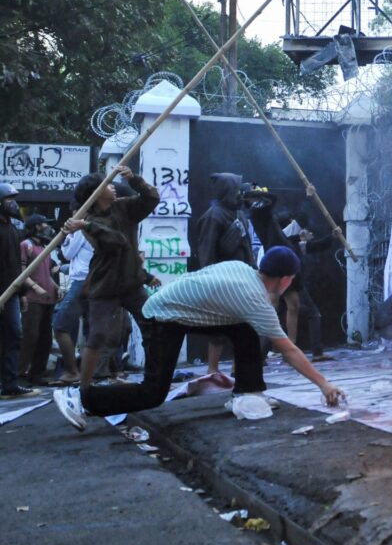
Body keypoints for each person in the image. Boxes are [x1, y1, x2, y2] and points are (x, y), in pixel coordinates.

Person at [53, 246, 344, 431]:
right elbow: (289, 350)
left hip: (180, 309)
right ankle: (81, 398)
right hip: (163, 317)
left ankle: (248, 392)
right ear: (286, 279)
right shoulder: (253, 299)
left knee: (244, 329)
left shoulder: (242, 269)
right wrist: (324, 384)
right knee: (153, 393)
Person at [63, 166, 159, 389]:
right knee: (97, 336)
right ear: (95, 194)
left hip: (132, 283)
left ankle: (155, 379)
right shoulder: (89, 221)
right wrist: (86, 225)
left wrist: (134, 179)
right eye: (107, 184)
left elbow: (152, 199)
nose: (113, 187)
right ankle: (85, 388)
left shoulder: (124, 207)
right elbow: (117, 241)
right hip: (105, 286)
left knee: (154, 328)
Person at [248, 192, 331, 358]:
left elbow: (286, 238)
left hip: (278, 261)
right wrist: (254, 192)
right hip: (282, 262)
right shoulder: (259, 213)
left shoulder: (269, 223)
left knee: (290, 307)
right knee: (284, 309)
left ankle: (278, 351)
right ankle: (267, 352)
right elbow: (273, 198)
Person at [195, 172, 254, 375]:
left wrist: (252, 271)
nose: (240, 193)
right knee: (219, 328)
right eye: (236, 189)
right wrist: (210, 280)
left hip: (242, 278)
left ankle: (239, 369)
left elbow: (246, 246)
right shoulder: (213, 216)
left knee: (244, 325)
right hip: (221, 280)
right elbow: (206, 251)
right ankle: (213, 371)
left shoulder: (239, 214)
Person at [0, 182, 34, 399]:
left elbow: (14, 266)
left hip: (10, 293)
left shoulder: (12, 229)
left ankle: (9, 384)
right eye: (8, 199)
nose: (13, 203)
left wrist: (21, 294)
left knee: (13, 335)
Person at [50, 219, 93, 384]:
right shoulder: (97, 227)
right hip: (93, 281)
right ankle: (91, 373)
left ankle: (72, 371)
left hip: (82, 281)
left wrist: (67, 235)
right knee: (90, 329)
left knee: (60, 325)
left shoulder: (81, 231)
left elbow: (67, 253)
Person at [18, 214, 59, 384]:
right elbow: (21, 273)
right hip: (33, 299)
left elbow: (47, 274)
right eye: (44, 224)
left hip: (48, 299)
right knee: (30, 337)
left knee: (45, 339)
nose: (47, 227)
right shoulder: (25, 245)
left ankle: (36, 374)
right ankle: (19, 374)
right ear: (36, 226)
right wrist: (35, 288)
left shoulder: (44, 247)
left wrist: (56, 287)